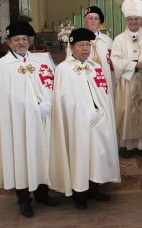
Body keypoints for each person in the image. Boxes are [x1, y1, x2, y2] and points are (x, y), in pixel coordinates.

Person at [0, 21, 60, 218]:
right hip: (19, 123)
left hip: (45, 118)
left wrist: (49, 103)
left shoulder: (40, 60)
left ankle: (42, 194)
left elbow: (50, 83)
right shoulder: (3, 66)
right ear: (9, 43)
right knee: (22, 156)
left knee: (42, 153)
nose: (21, 42)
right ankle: (23, 200)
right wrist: (33, 108)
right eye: (16, 40)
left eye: (24, 39)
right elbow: (7, 98)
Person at [50, 28, 120, 210]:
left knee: (97, 155)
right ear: (71, 47)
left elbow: (104, 93)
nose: (85, 49)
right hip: (77, 122)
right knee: (80, 155)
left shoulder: (95, 67)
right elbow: (64, 99)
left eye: (88, 45)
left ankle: (94, 189)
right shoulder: (63, 70)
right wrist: (84, 113)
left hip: (99, 121)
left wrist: (102, 112)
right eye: (81, 45)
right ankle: (79, 194)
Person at [111, 0, 142, 159]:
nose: (134, 22)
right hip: (127, 83)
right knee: (126, 111)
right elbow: (115, 60)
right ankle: (127, 147)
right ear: (126, 20)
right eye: (131, 19)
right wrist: (135, 65)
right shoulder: (119, 39)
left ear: (140, 19)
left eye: (137, 19)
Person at [66, 6, 115, 97]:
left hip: (104, 80)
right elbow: (70, 62)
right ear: (85, 21)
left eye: (96, 18)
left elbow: (113, 65)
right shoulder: (76, 39)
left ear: (99, 21)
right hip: (84, 79)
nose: (93, 21)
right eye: (90, 18)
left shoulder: (108, 41)